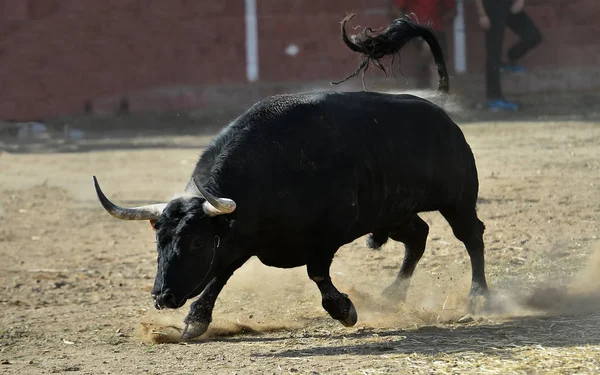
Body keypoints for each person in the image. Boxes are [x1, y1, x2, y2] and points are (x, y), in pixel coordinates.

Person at [475, 0, 543, 111]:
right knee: (493, 53)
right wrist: (482, 15)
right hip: (492, 7)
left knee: (533, 36)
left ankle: (511, 58)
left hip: (509, 4)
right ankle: (494, 99)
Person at [391, 0, 456, 90]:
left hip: (436, 29)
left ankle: (437, 94)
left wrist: (440, 20)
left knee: (439, 63)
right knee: (431, 53)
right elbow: (395, 9)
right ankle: (433, 85)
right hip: (417, 28)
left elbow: (453, 11)